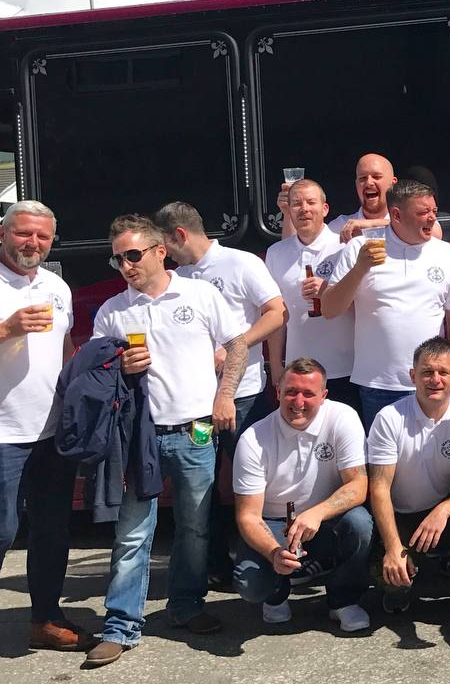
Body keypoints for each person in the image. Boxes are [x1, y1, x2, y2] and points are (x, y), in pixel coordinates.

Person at [87, 215, 247, 667]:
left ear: (160, 251)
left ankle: (186, 607)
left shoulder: (199, 294)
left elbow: (237, 344)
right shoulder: (113, 311)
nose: (125, 266)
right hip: (139, 435)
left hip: (197, 428)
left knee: (195, 527)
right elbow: (96, 371)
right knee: (133, 532)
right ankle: (120, 626)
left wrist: (225, 396)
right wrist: (119, 367)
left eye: (132, 255)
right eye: (117, 259)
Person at [156, 201, 286, 583]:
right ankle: (214, 567)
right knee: (203, 485)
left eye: (165, 244)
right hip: (198, 407)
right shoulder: (177, 276)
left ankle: (266, 564)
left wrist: (235, 346)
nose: (164, 255)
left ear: (180, 234)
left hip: (243, 399)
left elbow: (277, 312)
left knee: (255, 478)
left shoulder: (239, 263)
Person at [231, 357, 374, 632]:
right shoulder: (253, 438)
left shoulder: (343, 417)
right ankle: (276, 595)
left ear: (324, 396)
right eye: (291, 392)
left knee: (359, 523)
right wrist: (274, 552)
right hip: (272, 524)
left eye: (308, 394)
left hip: (324, 519)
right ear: (278, 392)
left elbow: (358, 486)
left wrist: (316, 513)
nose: (298, 401)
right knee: (251, 584)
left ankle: (343, 600)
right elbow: (247, 516)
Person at [0, 201, 85, 652]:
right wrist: (6, 329)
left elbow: (66, 346)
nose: (33, 243)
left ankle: (46, 619)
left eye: (43, 236)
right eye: (23, 233)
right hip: (3, 434)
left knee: (52, 530)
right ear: (3, 232)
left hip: (51, 432)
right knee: (3, 531)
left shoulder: (56, 285)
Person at [323, 179, 450, 425]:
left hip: (435, 382)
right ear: (396, 215)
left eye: (434, 211)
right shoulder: (361, 248)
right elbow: (329, 309)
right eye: (423, 212)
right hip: (379, 384)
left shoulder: (445, 252)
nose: (432, 218)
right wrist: (360, 269)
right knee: (383, 451)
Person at [366, 338, 450, 613]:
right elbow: (379, 488)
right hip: (398, 514)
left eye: (443, 372)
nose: (435, 380)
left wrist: (443, 510)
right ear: (413, 376)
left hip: (440, 509)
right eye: (427, 372)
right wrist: (393, 547)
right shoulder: (389, 418)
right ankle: (403, 576)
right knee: (391, 580)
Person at [264, 179, 359, 411]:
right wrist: (276, 365)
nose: (304, 209)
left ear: (325, 209)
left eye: (311, 202)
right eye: (297, 204)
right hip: (298, 373)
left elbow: (364, 305)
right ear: (288, 210)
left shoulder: (346, 247)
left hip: (346, 369)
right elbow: (276, 315)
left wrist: (328, 291)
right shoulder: (276, 253)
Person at [276, 153, 442, 243]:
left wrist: (368, 225)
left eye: (376, 177)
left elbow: (435, 232)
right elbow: (293, 250)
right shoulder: (340, 226)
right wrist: (288, 213)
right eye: (362, 178)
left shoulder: (415, 221)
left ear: (392, 183)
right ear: (356, 185)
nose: (368, 182)